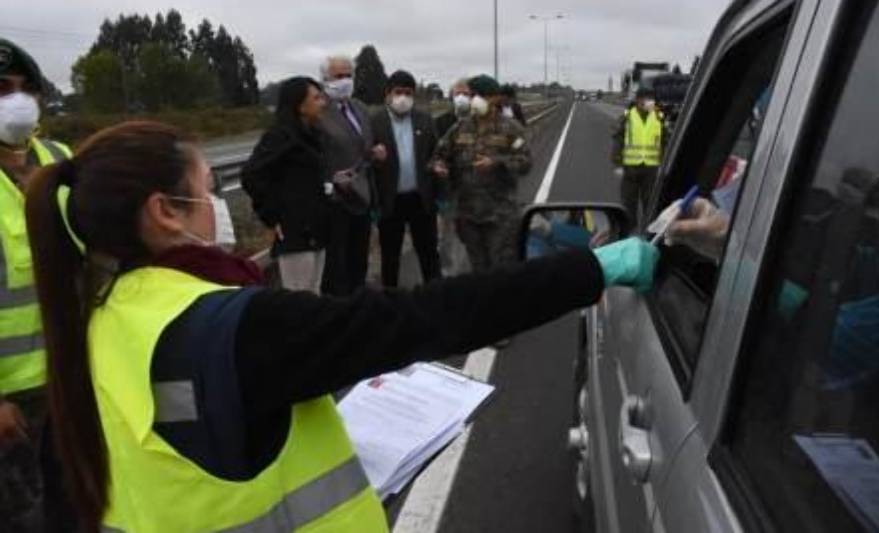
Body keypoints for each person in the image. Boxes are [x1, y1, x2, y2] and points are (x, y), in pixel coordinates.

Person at [24, 120, 658, 531]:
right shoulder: (241, 325)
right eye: (207, 186)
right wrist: (595, 268)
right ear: (165, 212)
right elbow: (429, 316)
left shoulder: (95, 325)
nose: (218, 204)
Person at [0, 38, 73, 531]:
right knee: (22, 518)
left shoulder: (59, 157)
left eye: (27, 88)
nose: (18, 99)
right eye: (3, 89)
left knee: (76, 502)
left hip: (69, 374)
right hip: (10, 397)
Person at [431, 74, 532, 274]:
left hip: (500, 216)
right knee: (476, 270)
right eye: (474, 94)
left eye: (481, 95)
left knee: (501, 270)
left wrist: (498, 163)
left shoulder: (511, 129)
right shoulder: (460, 128)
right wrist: (439, 166)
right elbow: (438, 155)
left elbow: (526, 162)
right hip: (468, 215)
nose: (475, 99)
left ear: (496, 98)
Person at [241, 77, 331, 293]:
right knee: (299, 300)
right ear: (300, 105)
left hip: (317, 229)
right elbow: (251, 175)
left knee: (315, 295)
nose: (323, 103)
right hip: (296, 235)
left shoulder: (311, 135)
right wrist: (271, 215)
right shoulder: (280, 136)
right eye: (316, 98)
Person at [317, 55, 387, 296]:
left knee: (359, 258)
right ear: (325, 79)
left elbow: (362, 146)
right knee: (337, 264)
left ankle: (359, 305)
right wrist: (330, 180)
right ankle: (340, 309)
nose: (345, 81)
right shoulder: (318, 112)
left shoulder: (359, 108)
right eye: (339, 76)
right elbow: (315, 156)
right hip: (334, 201)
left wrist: (374, 152)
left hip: (362, 195)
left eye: (349, 75)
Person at [371, 70, 441, 287]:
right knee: (390, 257)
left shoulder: (425, 120)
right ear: (388, 94)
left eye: (408, 93)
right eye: (398, 92)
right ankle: (390, 302)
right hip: (390, 201)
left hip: (420, 198)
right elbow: (365, 158)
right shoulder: (374, 122)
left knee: (429, 253)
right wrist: (373, 157)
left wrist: (438, 172)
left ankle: (436, 296)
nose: (403, 97)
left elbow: (436, 153)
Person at [612, 88, 666, 230]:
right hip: (630, 168)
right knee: (629, 203)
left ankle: (650, 232)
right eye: (647, 99)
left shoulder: (659, 117)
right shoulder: (627, 116)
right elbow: (618, 139)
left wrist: (664, 163)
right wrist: (617, 164)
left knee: (651, 203)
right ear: (638, 101)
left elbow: (666, 141)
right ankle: (630, 231)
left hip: (652, 168)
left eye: (651, 99)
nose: (650, 102)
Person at [435, 78, 473, 276]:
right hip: (449, 190)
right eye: (458, 94)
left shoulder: (480, 122)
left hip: (475, 191)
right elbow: (434, 155)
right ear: (451, 97)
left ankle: (465, 272)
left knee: (469, 233)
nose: (461, 98)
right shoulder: (441, 122)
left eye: (466, 94)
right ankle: (447, 272)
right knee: (447, 233)